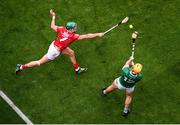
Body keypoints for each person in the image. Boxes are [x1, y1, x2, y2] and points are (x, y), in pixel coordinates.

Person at [15, 9, 104, 74]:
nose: (76, 28)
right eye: (75, 27)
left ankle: (77, 69)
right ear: (71, 29)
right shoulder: (73, 36)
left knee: (71, 53)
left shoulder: (62, 29)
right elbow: (87, 36)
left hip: (55, 45)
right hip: (54, 51)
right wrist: (98, 34)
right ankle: (21, 67)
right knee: (39, 62)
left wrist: (53, 16)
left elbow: (52, 26)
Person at [101, 32, 143, 117]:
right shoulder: (139, 77)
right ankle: (125, 111)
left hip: (120, 84)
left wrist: (130, 59)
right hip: (130, 87)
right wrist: (133, 64)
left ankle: (104, 92)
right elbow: (134, 71)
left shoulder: (126, 71)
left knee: (112, 87)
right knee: (129, 96)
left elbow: (126, 64)